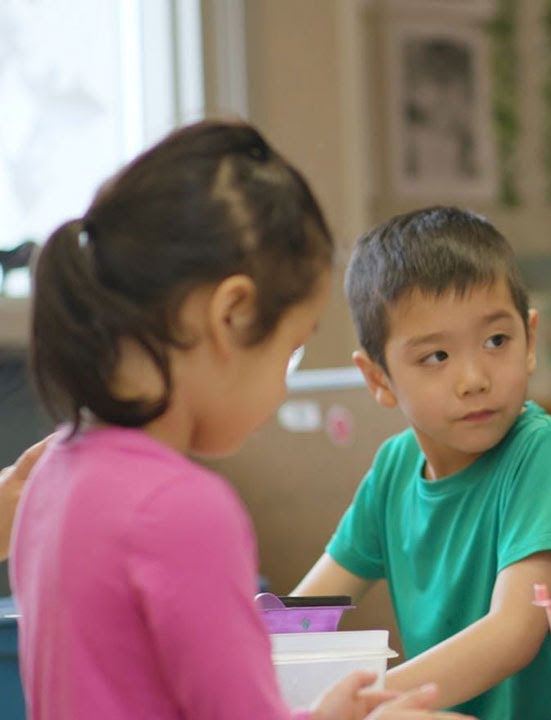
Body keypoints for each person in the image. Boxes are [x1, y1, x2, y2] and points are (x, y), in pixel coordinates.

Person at [10, 120, 465, 720]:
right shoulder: (183, 509)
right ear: (232, 315)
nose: (282, 387)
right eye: (290, 351)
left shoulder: (50, 477)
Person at [292, 206, 551, 719]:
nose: (474, 379)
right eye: (436, 356)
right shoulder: (394, 468)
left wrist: (366, 702)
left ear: (529, 340)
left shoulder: (544, 453)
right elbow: (308, 611)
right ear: (378, 379)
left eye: (496, 341)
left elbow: (512, 633)